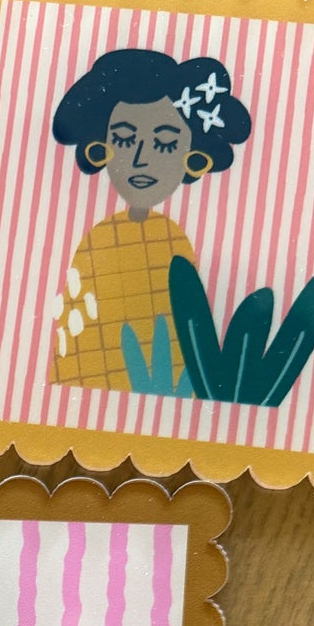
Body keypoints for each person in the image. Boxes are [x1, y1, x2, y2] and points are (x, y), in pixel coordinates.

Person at [48, 48, 252, 391]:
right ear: (102, 146)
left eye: (165, 142)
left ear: (191, 155)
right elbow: (73, 346)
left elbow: (179, 354)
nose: (140, 159)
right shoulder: (99, 240)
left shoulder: (171, 243)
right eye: (125, 139)